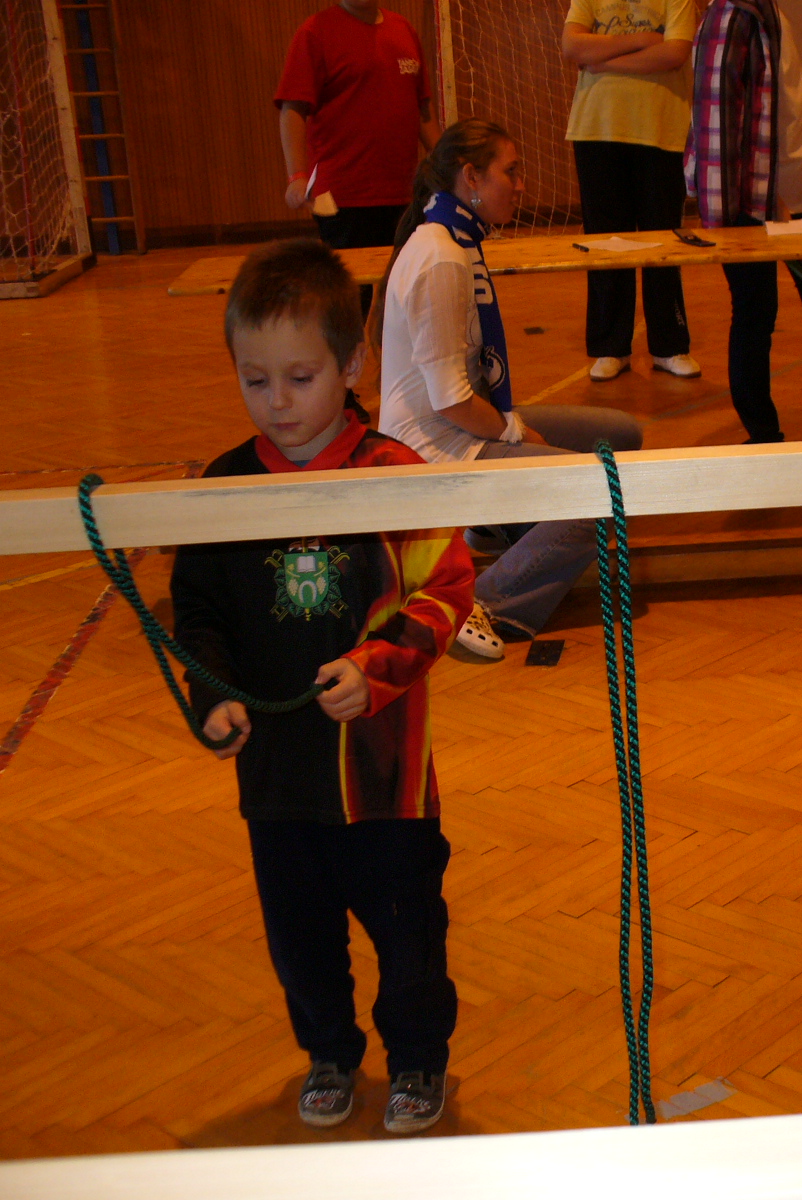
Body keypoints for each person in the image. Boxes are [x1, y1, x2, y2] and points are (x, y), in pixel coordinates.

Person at [172, 239, 476, 1133]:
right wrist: (212, 694)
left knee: (408, 931)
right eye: (254, 380)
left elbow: (446, 590)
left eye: (300, 378)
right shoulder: (224, 486)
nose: (278, 402)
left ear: (350, 365)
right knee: (301, 941)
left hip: (384, 780)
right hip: (277, 781)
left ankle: (416, 1058)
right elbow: (198, 612)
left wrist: (376, 669)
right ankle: (330, 1053)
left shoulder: (394, 475)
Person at [373, 119, 643, 658]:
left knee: (621, 436)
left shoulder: (456, 240)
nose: (521, 185)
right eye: (511, 172)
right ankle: (477, 602)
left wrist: (512, 430)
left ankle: (493, 523)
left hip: (460, 428)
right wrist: (514, 431)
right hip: (432, 449)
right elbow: (450, 400)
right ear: (471, 176)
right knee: (600, 490)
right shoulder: (440, 255)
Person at [686, 0, 802, 444]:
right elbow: (718, 118)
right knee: (756, 312)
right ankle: (763, 436)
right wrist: (766, 201)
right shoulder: (734, 14)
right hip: (747, 198)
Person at [561, 0, 702, 383]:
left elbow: (674, 53)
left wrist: (603, 61)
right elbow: (572, 46)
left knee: (664, 241)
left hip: (660, 131)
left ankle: (669, 345)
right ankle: (610, 347)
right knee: (606, 243)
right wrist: (643, 39)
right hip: (596, 129)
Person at [275, 0, 442, 310]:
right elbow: (292, 109)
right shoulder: (315, 33)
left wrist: (448, 161)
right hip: (344, 198)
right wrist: (296, 176)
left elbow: (422, 109)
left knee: (404, 293)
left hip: (403, 192)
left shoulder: (403, 30)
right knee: (352, 299)